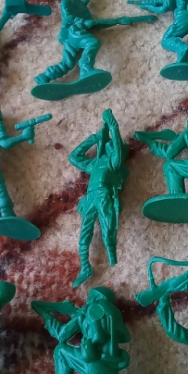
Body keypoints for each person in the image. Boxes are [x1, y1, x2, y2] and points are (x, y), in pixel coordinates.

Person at [41, 286, 131, 374]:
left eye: (91, 296)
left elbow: (62, 335)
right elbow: (125, 337)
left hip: (94, 364)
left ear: (96, 297)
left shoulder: (90, 309)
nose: (88, 299)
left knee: (60, 350)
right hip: (113, 367)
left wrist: (50, 322)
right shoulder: (114, 312)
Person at [69, 109, 129, 287]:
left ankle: (112, 255)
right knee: (84, 234)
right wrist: (94, 138)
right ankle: (85, 266)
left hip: (104, 194)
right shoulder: (95, 163)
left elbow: (118, 149)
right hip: (90, 197)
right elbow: (74, 157)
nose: (109, 144)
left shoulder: (114, 162)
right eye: (108, 143)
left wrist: (113, 126)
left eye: (112, 145)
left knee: (108, 227)